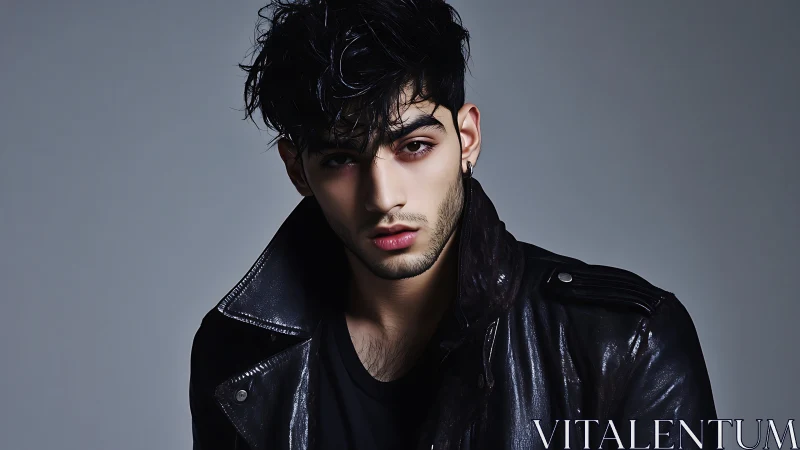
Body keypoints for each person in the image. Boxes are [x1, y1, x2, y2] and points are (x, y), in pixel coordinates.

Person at [189, 1, 718, 449]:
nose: (384, 197)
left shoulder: (622, 345)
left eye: (414, 147)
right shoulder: (238, 358)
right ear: (296, 168)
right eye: (341, 159)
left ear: (466, 139)